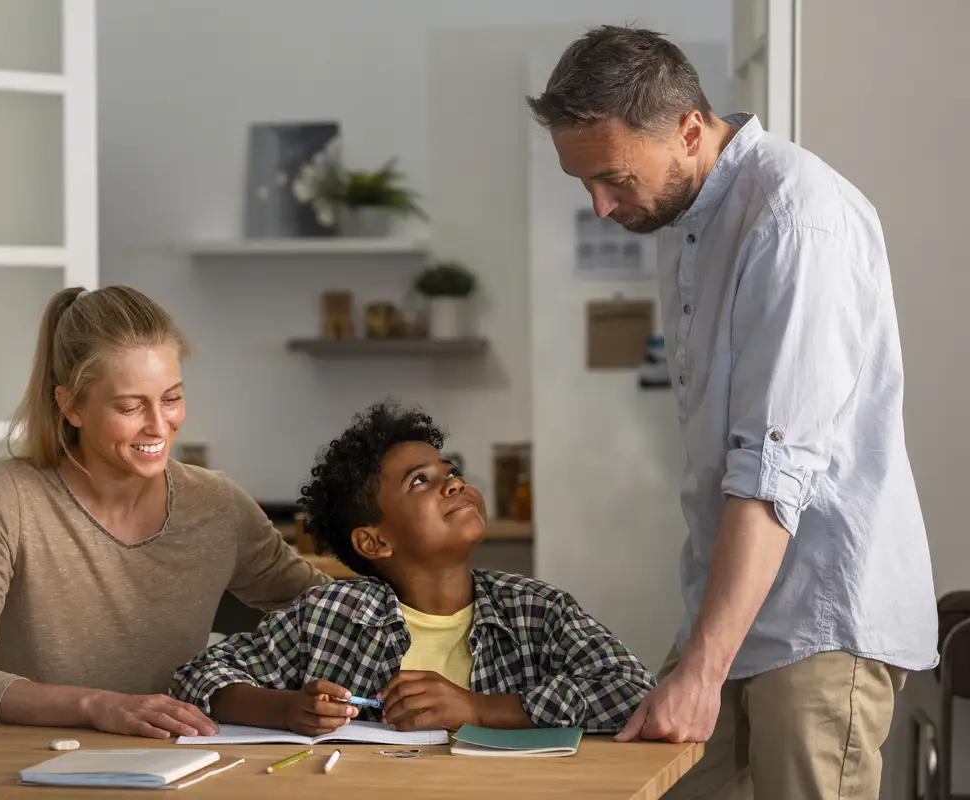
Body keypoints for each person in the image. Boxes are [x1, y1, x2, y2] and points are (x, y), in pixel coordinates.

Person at [526, 24, 938, 798]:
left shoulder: (795, 219)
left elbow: (771, 470)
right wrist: (700, 648)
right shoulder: (682, 220)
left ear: (688, 129)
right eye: (584, 184)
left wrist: (699, 670)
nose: (602, 206)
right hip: (734, 610)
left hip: (822, 618)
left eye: (612, 178)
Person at [0, 285, 329, 739]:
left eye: (171, 398)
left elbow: (329, 614)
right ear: (70, 405)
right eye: (130, 406)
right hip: (25, 767)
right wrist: (96, 705)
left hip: (176, 766)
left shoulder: (217, 505)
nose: (158, 425)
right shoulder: (7, 497)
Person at [172, 401, 653, 734]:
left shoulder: (537, 611)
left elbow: (633, 691)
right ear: (374, 540)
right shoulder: (328, 616)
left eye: (450, 472)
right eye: (420, 481)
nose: (453, 484)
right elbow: (197, 677)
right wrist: (287, 708)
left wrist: (480, 710)